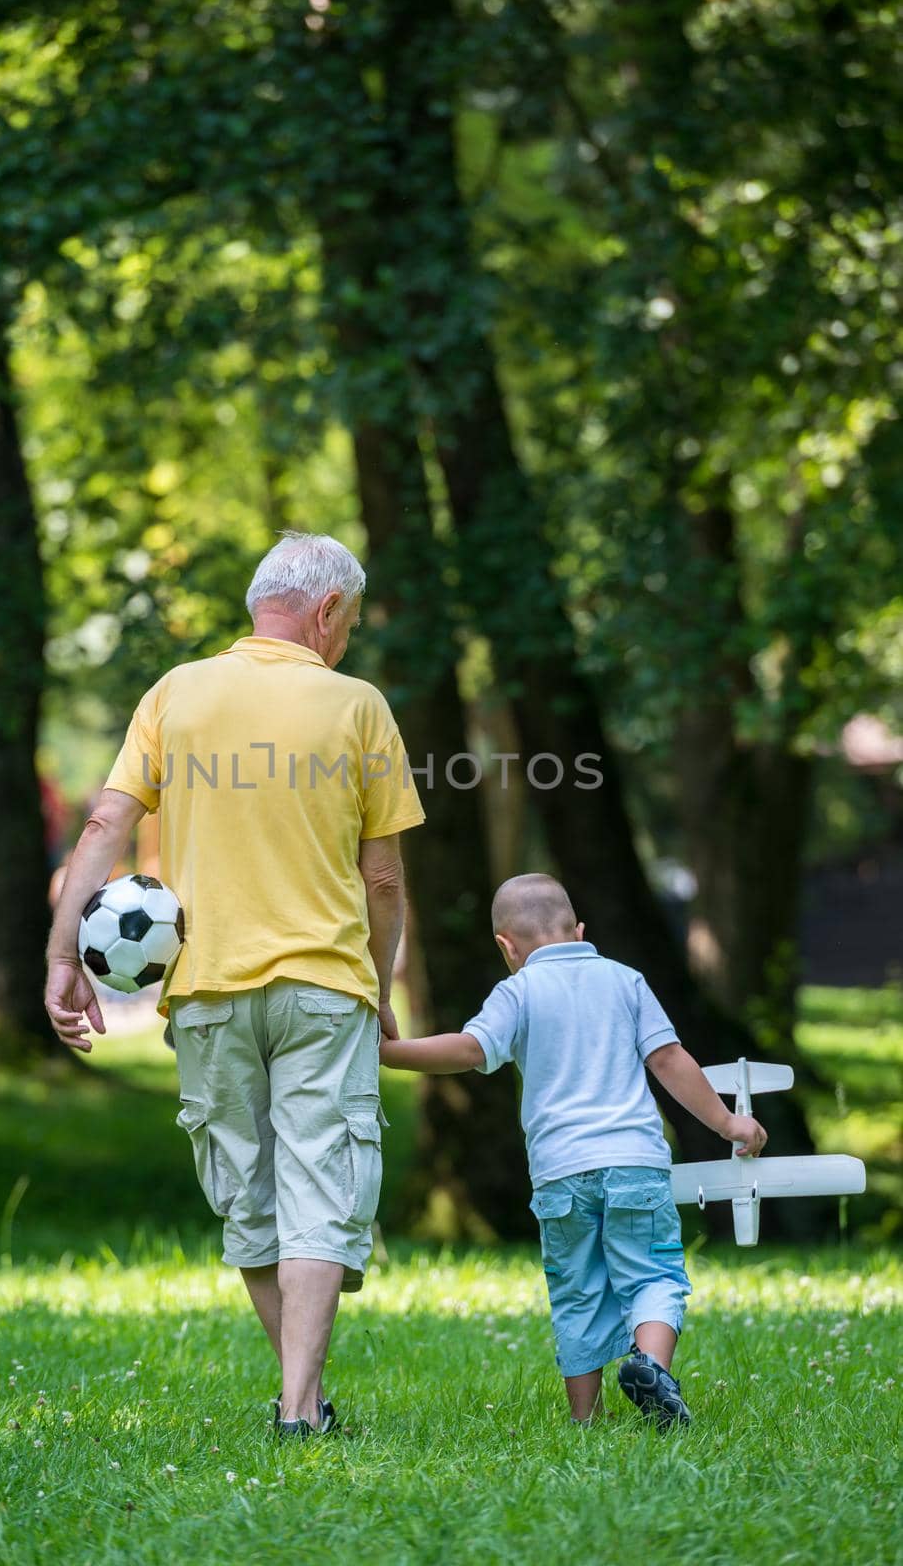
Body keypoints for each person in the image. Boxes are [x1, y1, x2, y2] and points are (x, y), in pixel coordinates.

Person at [44, 533, 425, 1437]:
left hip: (205, 992)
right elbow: (382, 882)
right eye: (351, 624)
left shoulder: (176, 694)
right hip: (326, 988)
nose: (349, 642)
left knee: (250, 1197)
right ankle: (301, 1406)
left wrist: (63, 954)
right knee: (321, 1190)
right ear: (326, 610)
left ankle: (304, 1402)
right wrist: (379, 984)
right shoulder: (358, 707)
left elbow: (104, 823)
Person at [380, 872, 767, 1429]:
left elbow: (468, 1050)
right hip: (633, 1161)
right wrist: (729, 1121)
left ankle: (586, 1419)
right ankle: (651, 1366)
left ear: (505, 946)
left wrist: (392, 1053)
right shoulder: (625, 980)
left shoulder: (517, 991)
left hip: (561, 1173)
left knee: (577, 1291)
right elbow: (668, 1060)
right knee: (652, 1275)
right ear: (579, 929)